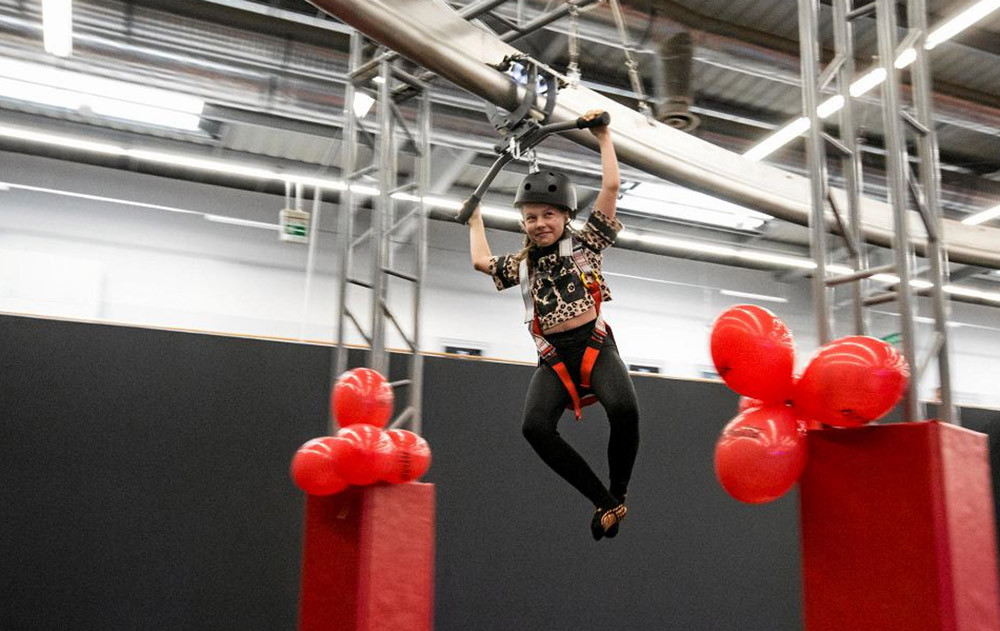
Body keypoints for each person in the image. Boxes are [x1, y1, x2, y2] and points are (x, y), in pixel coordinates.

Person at [467, 111, 640, 540]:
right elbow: (480, 261)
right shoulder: (523, 263)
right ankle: (603, 501)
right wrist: (475, 220)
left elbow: (612, 187)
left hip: (595, 346)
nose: (540, 224)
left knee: (625, 410)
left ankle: (619, 491)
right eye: (530, 218)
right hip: (553, 360)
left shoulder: (587, 244)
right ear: (523, 224)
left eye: (548, 214)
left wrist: (603, 138)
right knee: (534, 428)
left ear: (564, 214)